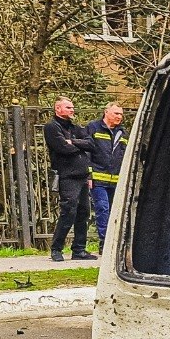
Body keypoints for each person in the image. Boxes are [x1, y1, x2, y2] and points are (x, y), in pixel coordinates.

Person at [42, 96, 97, 262]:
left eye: (72, 107)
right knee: (69, 211)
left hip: (82, 175)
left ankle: (78, 249)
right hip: (67, 175)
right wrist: (78, 145)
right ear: (58, 109)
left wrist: (73, 141)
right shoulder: (52, 127)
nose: (72, 110)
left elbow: (91, 144)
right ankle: (56, 249)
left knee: (83, 213)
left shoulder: (75, 127)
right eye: (68, 108)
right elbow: (62, 148)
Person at [85, 103, 129, 247]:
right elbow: (87, 151)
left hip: (116, 180)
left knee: (115, 212)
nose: (119, 117)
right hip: (98, 177)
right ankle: (105, 242)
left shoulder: (122, 133)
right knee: (102, 208)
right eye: (116, 113)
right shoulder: (93, 127)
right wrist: (89, 174)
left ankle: (115, 243)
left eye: (121, 114)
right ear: (106, 112)